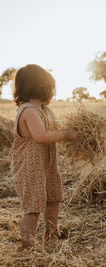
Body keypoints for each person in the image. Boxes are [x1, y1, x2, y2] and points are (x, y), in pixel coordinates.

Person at [10, 64, 79, 248]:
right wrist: (65, 134)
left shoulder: (45, 110)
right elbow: (41, 136)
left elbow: (57, 128)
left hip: (47, 166)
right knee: (33, 207)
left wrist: (76, 132)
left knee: (53, 199)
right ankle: (28, 246)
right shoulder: (28, 111)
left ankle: (51, 234)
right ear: (41, 86)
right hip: (30, 168)